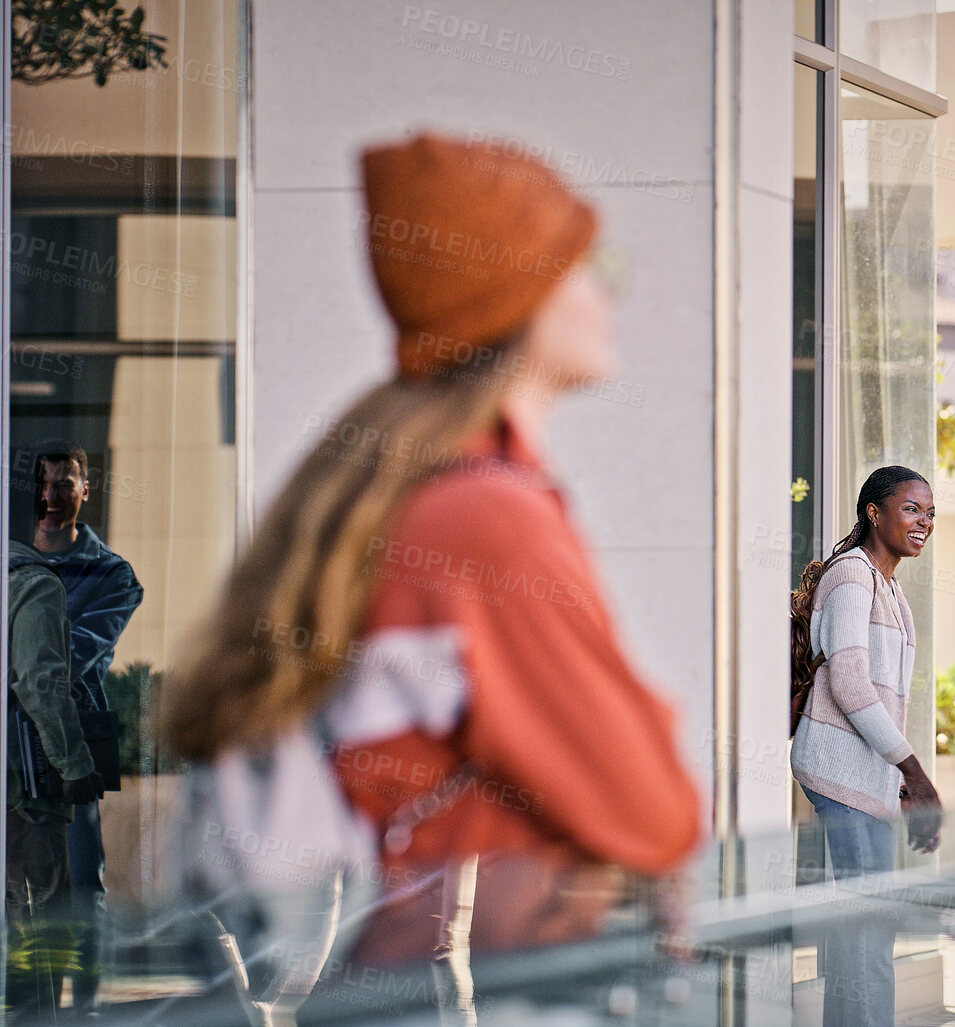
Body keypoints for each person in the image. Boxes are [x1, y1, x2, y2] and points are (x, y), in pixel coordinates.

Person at [163, 133, 702, 968]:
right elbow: (652, 811)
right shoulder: (486, 518)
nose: (608, 294)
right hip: (471, 982)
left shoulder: (409, 483)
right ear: (523, 296)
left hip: (407, 974)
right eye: (591, 266)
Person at [788, 464, 943, 1027]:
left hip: (865, 778)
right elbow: (849, 684)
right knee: (868, 937)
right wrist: (917, 774)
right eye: (911, 508)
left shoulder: (886, 582)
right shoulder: (852, 575)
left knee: (862, 934)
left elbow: (878, 696)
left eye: (930, 513)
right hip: (839, 774)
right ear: (873, 513)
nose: (923, 521)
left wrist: (897, 779)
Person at [31, 439, 142, 1010]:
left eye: (64, 483)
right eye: (43, 483)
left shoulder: (110, 574)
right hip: (14, 735)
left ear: (85, 490)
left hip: (73, 735)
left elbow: (76, 653)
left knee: (80, 883)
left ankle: (86, 1008)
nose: (52, 495)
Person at [7, 540, 106, 1015]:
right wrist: (75, 766)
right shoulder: (30, 580)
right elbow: (41, 684)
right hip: (20, 783)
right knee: (40, 915)